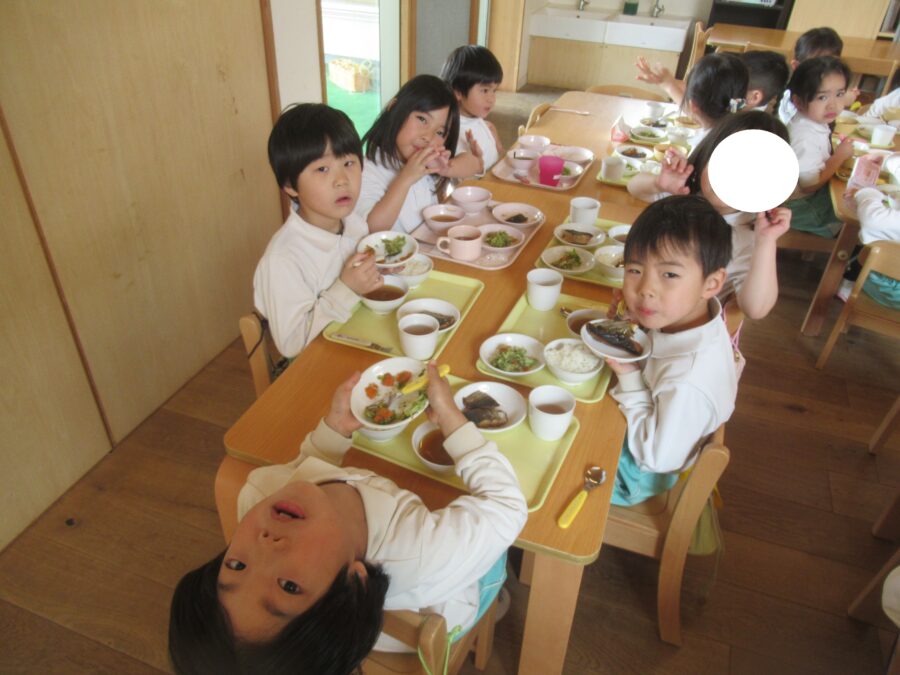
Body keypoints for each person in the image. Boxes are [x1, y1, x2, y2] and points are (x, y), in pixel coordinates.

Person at [168, 363, 528, 674]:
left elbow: (304, 471)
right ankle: (495, 603)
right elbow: (508, 505)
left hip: (360, 625)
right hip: (440, 611)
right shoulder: (425, 550)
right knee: (496, 561)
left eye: (236, 565)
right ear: (354, 583)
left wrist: (334, 431)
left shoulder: (261, 493)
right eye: (288, 586)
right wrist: (451, 418)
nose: (265, 544)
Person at [605, 195, 738, 506]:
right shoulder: (691, 317)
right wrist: (631, 326)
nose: (645, 289)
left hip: (634, 473)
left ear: (711, 283)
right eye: (634, 270)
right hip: (652, 425)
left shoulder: (688, 381)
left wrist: (630, 376)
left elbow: (655, 458)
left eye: (670, 275)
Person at [627, 111, 792, 320]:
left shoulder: (750, 237)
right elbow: (634, 187)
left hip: (687, 330)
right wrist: (658, 184)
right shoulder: (683, 194)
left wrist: (766, 241)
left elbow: (755, 309)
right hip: (641, 307)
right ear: (706, 156)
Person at [253, 103, 383, 359]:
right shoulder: (283, 259)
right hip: (315, 364)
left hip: (361, 341)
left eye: (349, 163)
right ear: (290, 185)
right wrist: (346, 288)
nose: (342, 180)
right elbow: (292, 344)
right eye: (322, 169)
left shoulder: (354, 223)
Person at [357, 74, 478, 233]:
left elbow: (475, 163)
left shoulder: (427, 162)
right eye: (422, 119)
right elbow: (371, 227)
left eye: (440, 132)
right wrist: (406, 178)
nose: (428, 137)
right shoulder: (366, 171)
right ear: (393, 108)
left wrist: (447, 168)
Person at [784, 56, 853, 238]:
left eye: (839, 94)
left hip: (805, 199)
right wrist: (839, 156)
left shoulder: (812, 121)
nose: (833, 105)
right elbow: (810, 185)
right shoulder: (804, 136)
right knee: (851, 218)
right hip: (798, 208)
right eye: (822, 97)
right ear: (798, 102)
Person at [441, 45, 505, 175]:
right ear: (458, 92)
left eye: (494, 91)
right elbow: (458, 175)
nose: (491, 99)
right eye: (485, 90)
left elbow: (501, 154)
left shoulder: (481, 122)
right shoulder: (454, 132)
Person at [777, 27, 853, 125]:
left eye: (831, 64)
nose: (825, 71)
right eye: (822, 97)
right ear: (796, 66)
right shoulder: (792, 95)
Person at [839, 186, 900, 308]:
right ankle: (848, 283)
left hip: (892, 293)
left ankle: (847, 285)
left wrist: (866, 192)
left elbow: (873, 219)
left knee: (871, 244)